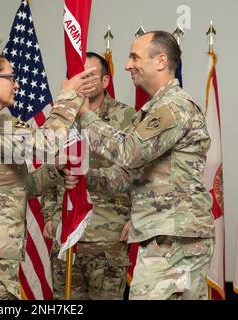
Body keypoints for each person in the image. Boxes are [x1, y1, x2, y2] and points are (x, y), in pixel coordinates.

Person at [64, 31, 215, 300]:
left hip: (174, 240)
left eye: (134, 57)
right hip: (169, 237)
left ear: (160, 60)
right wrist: (84, 177)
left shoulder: (173, 107)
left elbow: (129, 152)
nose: (127, 65)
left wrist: (85, 116)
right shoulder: (153, 110)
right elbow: (126, 176)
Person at [0, 51, 96, 300]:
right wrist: (70, 95)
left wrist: (55, 170)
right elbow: (44, 145)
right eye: (11, 77)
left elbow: (22, 185)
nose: (17, 83)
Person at [42, 52, 135, 300]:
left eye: (90, 75)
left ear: (105, 81)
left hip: (107, 236)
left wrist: (135, 217)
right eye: (77, 75)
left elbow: (137, 170)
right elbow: (52, 165)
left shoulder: (127, 117)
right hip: (66, 234)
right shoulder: (61, 117)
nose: (82, 80)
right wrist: (50, 213)